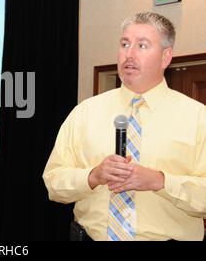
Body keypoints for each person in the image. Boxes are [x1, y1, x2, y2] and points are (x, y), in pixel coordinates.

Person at [43, 12, 206, 241]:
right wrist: (93, 176)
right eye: (124, 44)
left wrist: (160, 181)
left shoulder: (198, 118)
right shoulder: (85, 113)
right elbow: (53, 182)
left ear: (166, 57)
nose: (129, 54)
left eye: (142, 45)